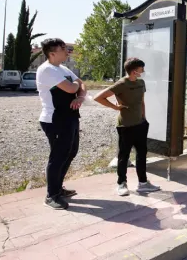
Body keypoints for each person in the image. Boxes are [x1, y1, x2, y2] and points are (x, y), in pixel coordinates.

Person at [94, 57, 161, 196]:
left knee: (142, 155)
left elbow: (142, 102)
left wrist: (144, 119)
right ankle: (121, 184)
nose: (143, 71)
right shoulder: (121, 84)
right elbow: (98, 97)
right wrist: (115, 107)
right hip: (125, 125)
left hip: (141, 124)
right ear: (134, 70)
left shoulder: (141, 82)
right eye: (141, 68)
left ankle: (143, 183)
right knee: (123, 156)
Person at [36, 38, 86, 210]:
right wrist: (76, 88)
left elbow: (82, 85)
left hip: (70, 117)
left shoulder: (62, 69)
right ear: (52, 53)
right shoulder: (47, 70)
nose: (67, 51)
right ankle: (51, 195)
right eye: (63, 48)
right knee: (58, 156)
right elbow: (73, 87)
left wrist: (80, 96)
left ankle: (58, 188)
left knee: (71, 152)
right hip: (55, 119)